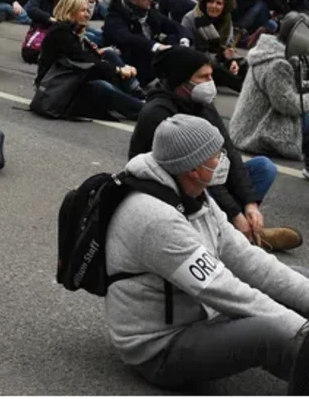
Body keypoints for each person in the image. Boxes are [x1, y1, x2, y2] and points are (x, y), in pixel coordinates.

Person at [105, 114, 309, 389]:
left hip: (199, 312)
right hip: (161, 347)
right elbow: (223, 289)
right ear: (192, 168)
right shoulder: (155, 219)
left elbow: (248, 260)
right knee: (271, 334)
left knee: (297, 277)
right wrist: (302, 331)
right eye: (216, 154)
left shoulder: (193, 192)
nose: (224, 159)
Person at [129, 47, 298, 252]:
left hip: (203, 176)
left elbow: (229, 152)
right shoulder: (158, 113)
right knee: (206, 177)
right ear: (182, 79)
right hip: (172, 188)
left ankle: (239, 232)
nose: (211, 82)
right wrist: (236, 213)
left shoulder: (201, 103)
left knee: (263, 168)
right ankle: (234, 236)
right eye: (204, 77)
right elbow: (197, 173)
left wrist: (250, 204)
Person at [35, 0, 144, 120]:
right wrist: (119, 70)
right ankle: (143, 111)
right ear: (70, 12)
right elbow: (87, 62)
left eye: (87, 10)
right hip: (57, 90)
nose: (87, 14)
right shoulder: (61, 34)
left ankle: (137, 95)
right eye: (82, 10)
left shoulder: (72, 30)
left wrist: (119, 65)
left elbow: (90, 57)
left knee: (109, 54)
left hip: (72, 80)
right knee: (100, 86)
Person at [229, 13, 309, 176]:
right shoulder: (277, 64)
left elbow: (292, 87)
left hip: (246, 127)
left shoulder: (272, 53)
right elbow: (290, 105)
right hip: (257, 133)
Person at [102, 0, 190, 87]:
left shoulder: (149, 11)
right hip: (129, 62)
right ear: (134, 0)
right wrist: (154, 46)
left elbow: (174, 26)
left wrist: (184, 40)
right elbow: (126, 37)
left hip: (150, 56)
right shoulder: (114, 17)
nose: (151, 0)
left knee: (174, 39)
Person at [182, 0, 246, 93]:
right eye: (210, 2)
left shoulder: (226, 20)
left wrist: (232, 60)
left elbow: (228, 46)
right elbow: (188, 52)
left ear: (225, 6)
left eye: (219, 3)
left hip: (219, 59)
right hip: (198, 64)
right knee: (217, 69)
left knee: (245, 64)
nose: (214, 6)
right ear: (204, 3)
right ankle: (245, 90)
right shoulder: (191, 18)